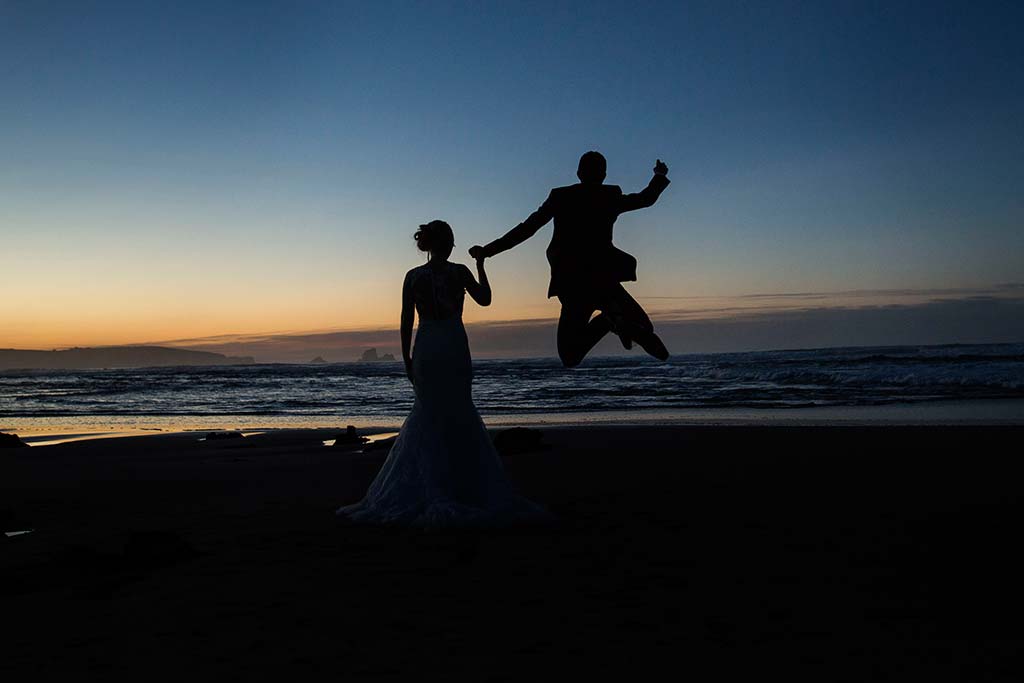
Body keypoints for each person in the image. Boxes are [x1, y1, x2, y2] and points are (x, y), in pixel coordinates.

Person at [337, 220, 549, 528]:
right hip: (452, 344)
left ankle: (433, 480)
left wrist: (407, 356)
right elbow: (485, 299)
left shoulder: (412, 276)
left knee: (429, 410)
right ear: (447, 244)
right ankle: (463, 483)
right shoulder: (460, 271)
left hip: (427, 346)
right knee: (458, 409)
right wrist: (481, 264)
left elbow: (406, 318)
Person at [469, 151, 671, 367]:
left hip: (572, 282)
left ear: (578, 173)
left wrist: (488, 250)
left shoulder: (560, 197)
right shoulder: (610, 195)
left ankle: (607, 321)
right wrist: (659, 175)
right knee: (643, 326)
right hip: (603, 280)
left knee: (570, 356)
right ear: (603, 175)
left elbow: (527, 229)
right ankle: (612, 319)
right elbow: (646, 198)